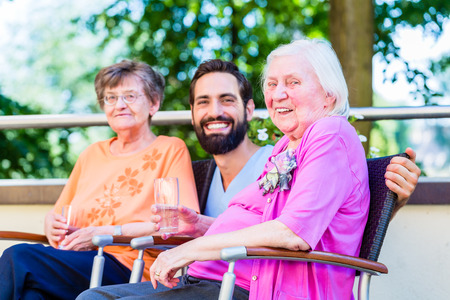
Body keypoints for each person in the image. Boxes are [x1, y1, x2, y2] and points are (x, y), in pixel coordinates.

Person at [78, 40, 419, 300]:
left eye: (293, 82)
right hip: (220, 279)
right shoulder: (288, 144)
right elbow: (266, 218)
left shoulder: (330, 134)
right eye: (271, 84)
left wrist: (188, 250)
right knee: (93, 296)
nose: (278, 93)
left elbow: (294, 233)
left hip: (251, 288)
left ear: (329, 94)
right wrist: (202, 227)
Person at [0, 60, 199, 299]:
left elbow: (182, 224)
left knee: (19, 257)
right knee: (31, 293)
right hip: (79, 264)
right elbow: (59, 216)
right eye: (111, 98)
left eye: (130, 96)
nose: (120, 105)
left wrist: (100, 233)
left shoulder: (170, 149)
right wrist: (51, 224)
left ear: (153, 103)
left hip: (130, 266)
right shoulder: (92, 154)